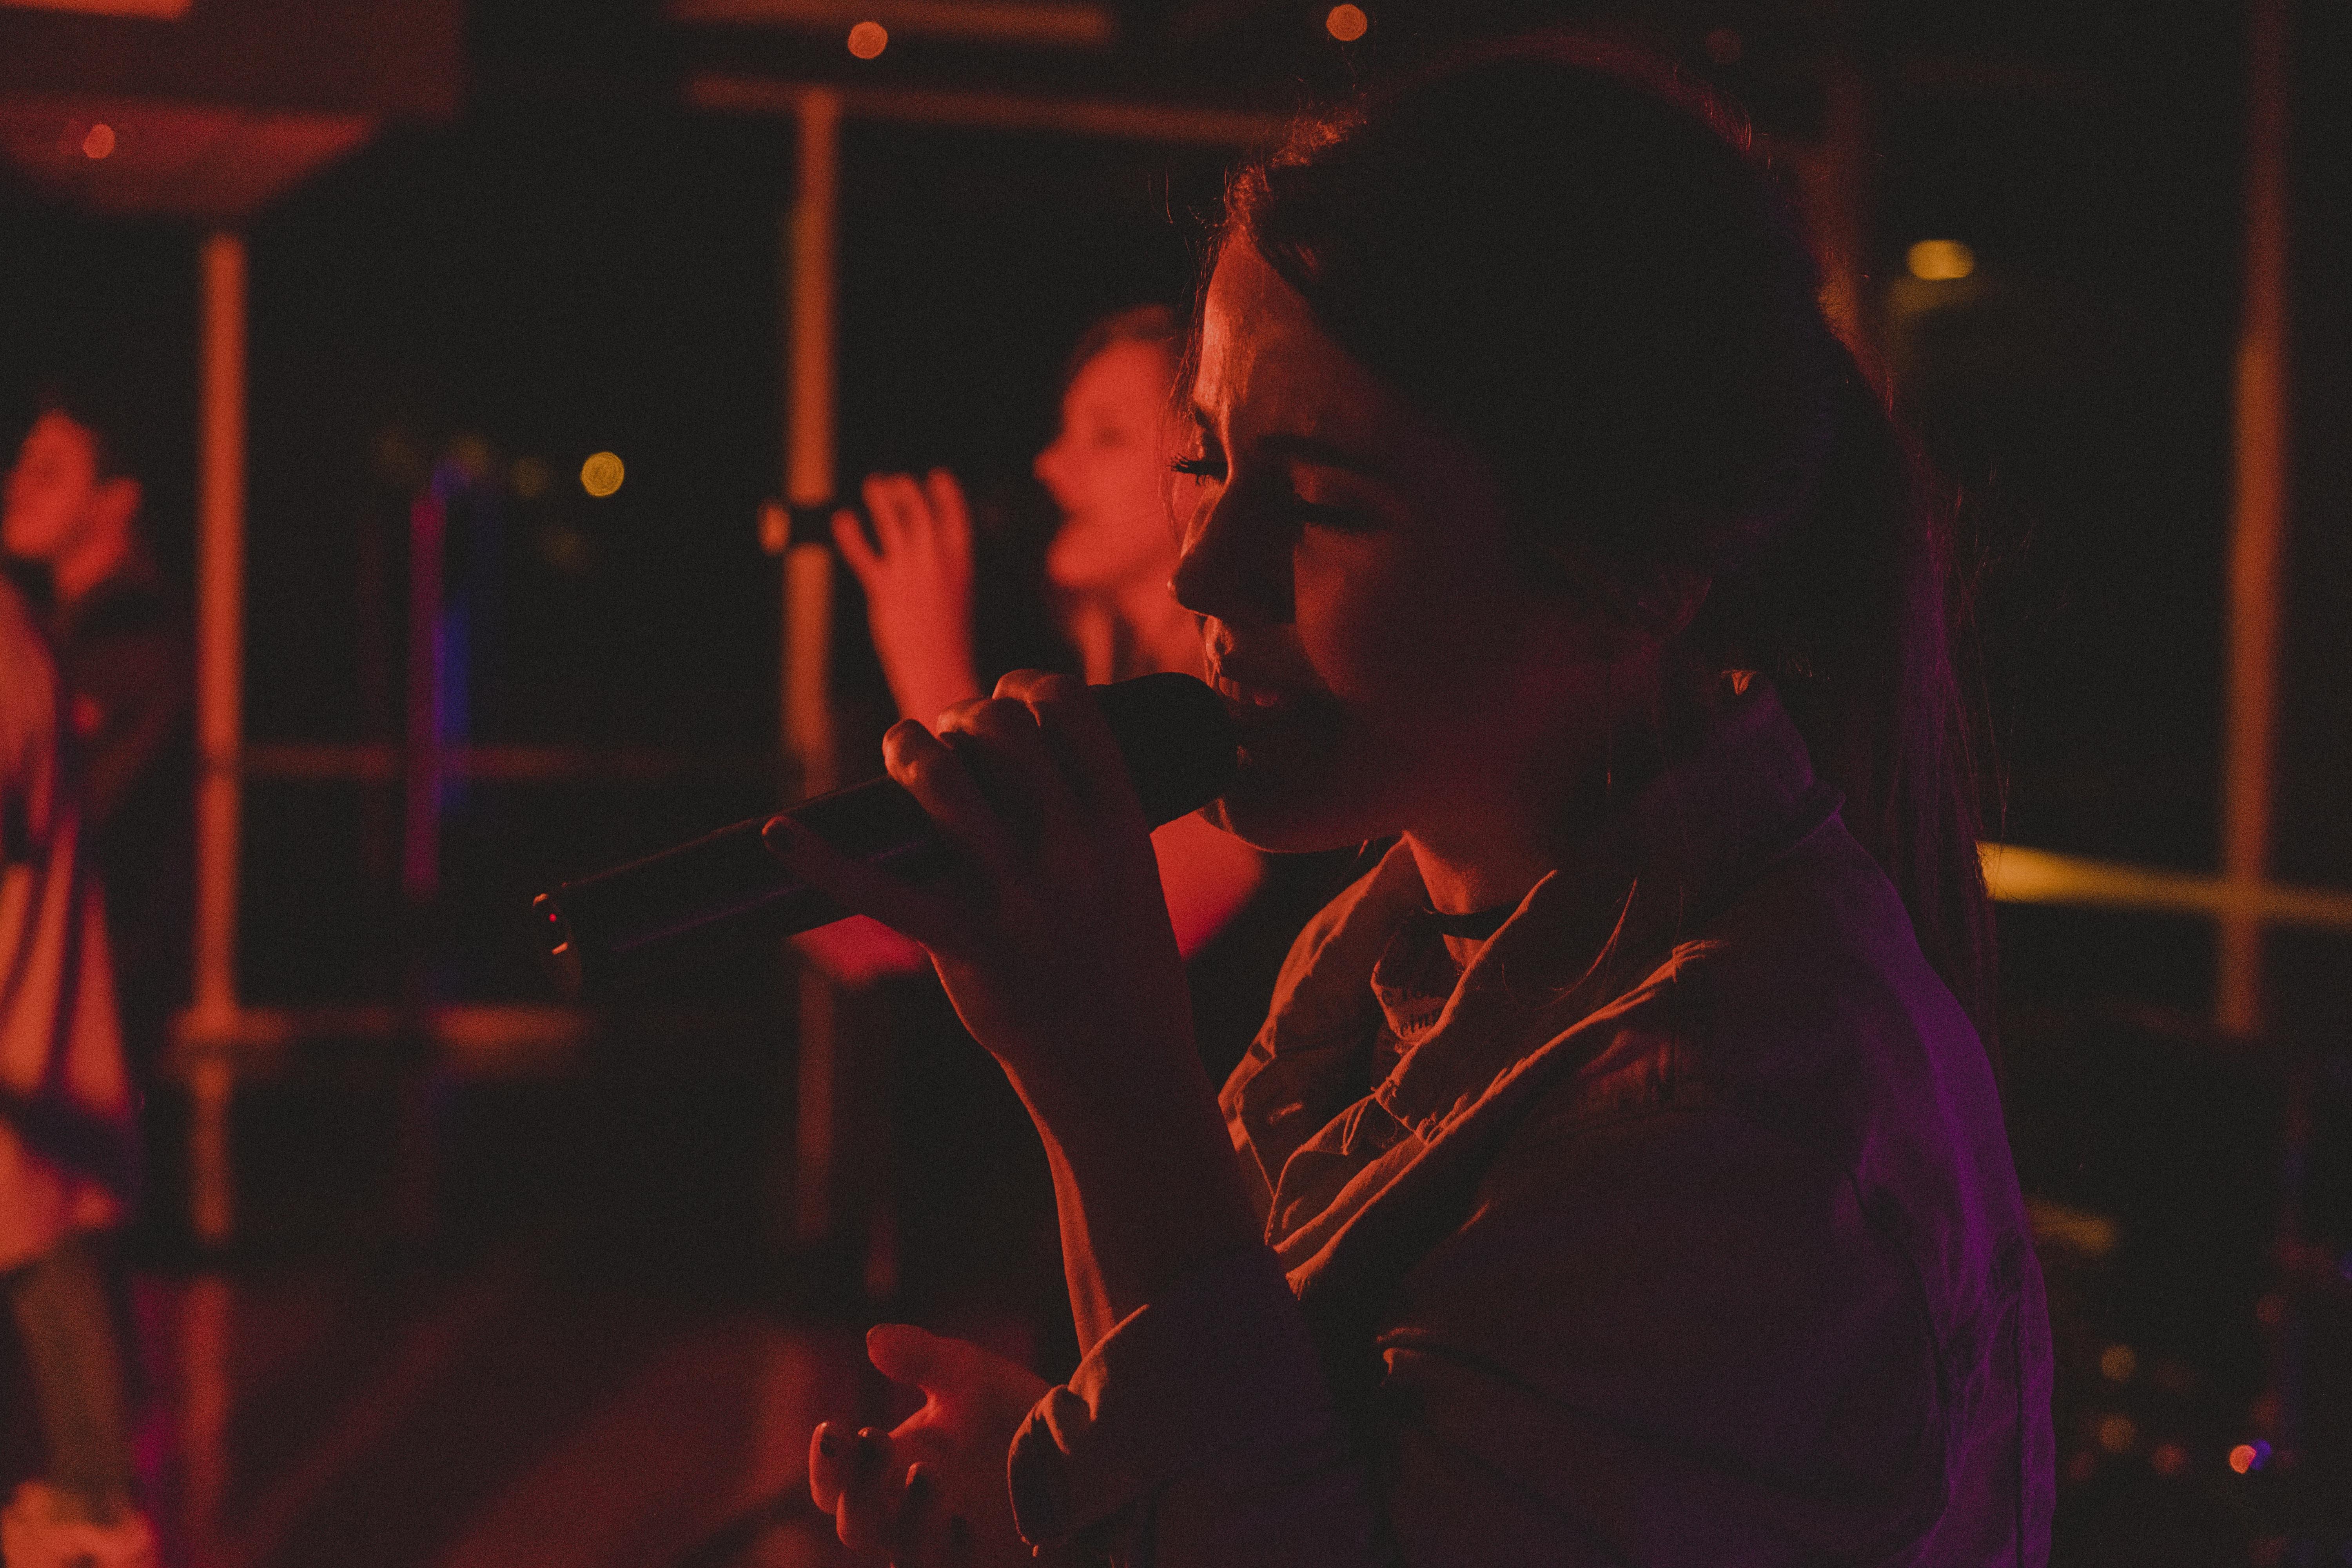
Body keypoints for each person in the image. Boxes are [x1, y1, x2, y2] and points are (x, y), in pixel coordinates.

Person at [780, 38, 2052, 1567]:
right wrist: (1063, 1501)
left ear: (1627, 576)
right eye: (1205, 457)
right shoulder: (1402, 944)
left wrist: (1106, 1073)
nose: (1205, 571)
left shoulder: (1733, 1129)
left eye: (1322, 499)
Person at [808, 307, 1263, 985]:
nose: (1050, 466)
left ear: (1212, 470)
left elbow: (1090, 946)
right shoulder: (1098, 703)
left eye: (1106, 437)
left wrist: (929, 659)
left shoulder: (1250, 725)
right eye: (1062, 435)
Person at [0, 572, 158, 1567]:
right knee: (43, 1249)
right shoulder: (21, 631)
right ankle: (88, 1494)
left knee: (43, 1247)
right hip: (30, 1009)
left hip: (20, 1015)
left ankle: (95, 1505)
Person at [3, 388, 193, 1075]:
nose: (18, 484)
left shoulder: (135, 647)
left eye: (49, 471)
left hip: (92, 1037)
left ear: (115, 501)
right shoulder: (48, 642)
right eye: (21, 465)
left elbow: (75, 815)